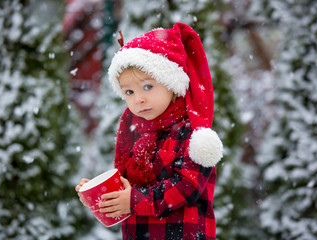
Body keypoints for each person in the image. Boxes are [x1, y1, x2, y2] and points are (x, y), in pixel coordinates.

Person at [75, 22, 223, 240]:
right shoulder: (134, 132)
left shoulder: (192, 133)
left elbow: (186, 187)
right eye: (129, 91)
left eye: (147, 87)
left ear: (170, 83)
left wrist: (133, 200)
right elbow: (128, 186)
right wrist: (102, 193)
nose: (139, 98)